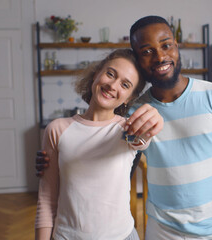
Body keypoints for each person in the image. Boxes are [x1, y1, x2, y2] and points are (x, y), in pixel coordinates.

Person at [37, 16, 212, 240]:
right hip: (161, 232)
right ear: (139, 61)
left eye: (166, 45)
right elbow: (109, 152)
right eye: (147, 51)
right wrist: (53, 160)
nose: (160, 56)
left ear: (176, 46)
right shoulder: (131, 112)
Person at [34, 49, 163, 240]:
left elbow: (143, 140)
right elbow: (46, 200)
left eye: (125, 85)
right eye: (110, 74)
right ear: (96, 74)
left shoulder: (126, 131)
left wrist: (155, 120)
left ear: (129, 97)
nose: (112, 85)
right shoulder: (57, 129)